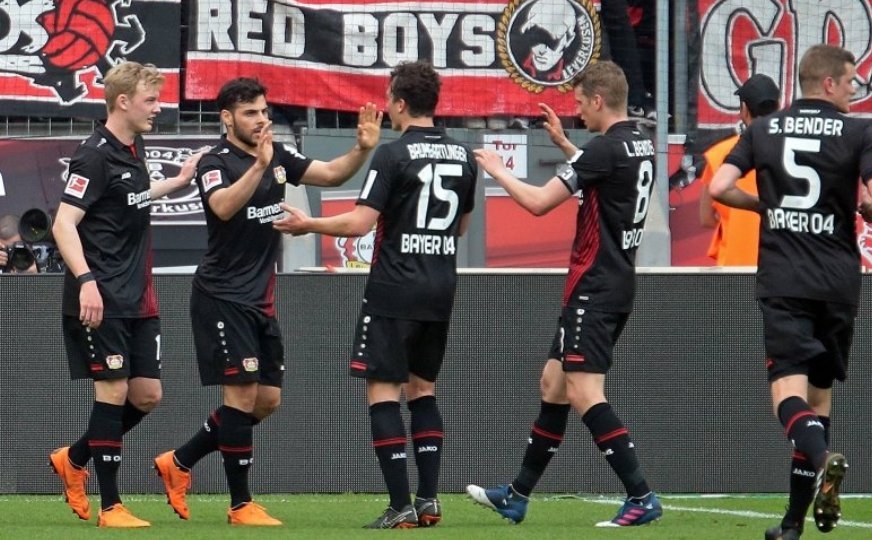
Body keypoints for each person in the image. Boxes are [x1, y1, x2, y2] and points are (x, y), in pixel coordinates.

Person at [151, 77, 381, 526]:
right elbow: (222, 206)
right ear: (227, 117)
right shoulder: (215, 161)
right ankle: (241, 505)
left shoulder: (278, 154)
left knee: (266, 400)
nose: (261, 120)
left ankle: (179, 461)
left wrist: (362, 148)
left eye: (264, 111)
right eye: (250, 113)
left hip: (260, 298)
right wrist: (258, 166)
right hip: (222, 296)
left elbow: (331, 174)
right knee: (240, 396)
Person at [274, 60, 478, 529]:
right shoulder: (463, 156)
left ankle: (400, 504)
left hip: (395, 287)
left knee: (383, 393)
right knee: (423, 390)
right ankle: (428, 500)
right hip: (440, 286)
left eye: (389, 98)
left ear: (401, 104)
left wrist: (309, 224)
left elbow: (360, 223)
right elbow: (461, 226)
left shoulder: (392, 155)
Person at [710, 44, 872, 540]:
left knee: (787, 396)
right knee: (819, 398)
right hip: (838, 282)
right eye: (852, 81)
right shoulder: (859, 133)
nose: (855, 90)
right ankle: (793, 524)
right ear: (829, 83)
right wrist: (869, 210)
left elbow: (718, 187)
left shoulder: (763, 130)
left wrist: (763, 207)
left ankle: (823, 459)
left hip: (785, 279)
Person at [466, 60, 662, 527]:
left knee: (583, 391)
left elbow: (538, 203)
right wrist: (566, 147)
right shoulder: (638, 144)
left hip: (594, 285)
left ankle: (641, 495)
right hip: (617, 281)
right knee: (553, 385)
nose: (577, 112)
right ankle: (517, 495)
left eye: (580, 104)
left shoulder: (602, 149)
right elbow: (606, 175)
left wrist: (497, 170)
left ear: (598, 100)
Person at [48, 61, 203, 528]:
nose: (158, 108)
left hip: (138, 296)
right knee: (113, 391)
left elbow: (128, 199)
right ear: (122, 102)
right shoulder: (92, 155)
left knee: (147, 394)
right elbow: (63, 224)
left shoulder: (135, 146)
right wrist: (86, 281)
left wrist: (174, 184)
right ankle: (111, 507)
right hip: (101, 296)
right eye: (150, 100)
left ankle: (74, 458)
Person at [699, 74, 781, 266]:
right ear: (778, 107)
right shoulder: (793, 150)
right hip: (779, 264)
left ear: (744, 109)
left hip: (733, 263)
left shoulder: (719, 154)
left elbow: (706, 218)